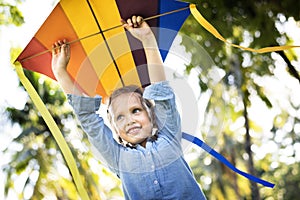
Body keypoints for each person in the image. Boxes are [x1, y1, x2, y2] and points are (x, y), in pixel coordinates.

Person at [52, 15, 206, 200]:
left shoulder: (169, 137)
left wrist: (147, 38)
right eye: (120, 117)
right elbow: (88, 119)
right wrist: (61, 72)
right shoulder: (117, 157)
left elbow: (162, 93)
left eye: (136, 110)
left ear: (152, 115)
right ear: (115, 128)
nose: (130, 120)